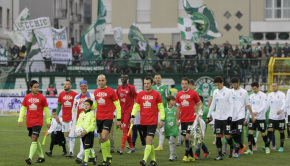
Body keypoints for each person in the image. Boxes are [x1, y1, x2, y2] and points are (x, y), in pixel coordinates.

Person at [130, 76, 165, 166]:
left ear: (152, 84)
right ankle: (153, 160)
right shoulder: (140, 94)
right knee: (148, 142)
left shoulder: (156, 94)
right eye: (145, 83)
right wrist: (132, 116)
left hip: (152, 122)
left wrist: (162, 119)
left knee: (148, 140)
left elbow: (161, 108)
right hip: (143, 122)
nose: (146, 85)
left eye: (148, 83)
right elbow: (136, 106)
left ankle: (144, 160)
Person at [17, 80, 51, 164]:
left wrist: (48, 120)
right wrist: (20, 119)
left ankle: (29, 158)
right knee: (35, 140)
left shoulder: (42, 97)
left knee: (34, 138)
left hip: (38, 122)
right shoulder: (27, 97)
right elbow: (23, 109)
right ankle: (41, 157)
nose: (37, 89)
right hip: (29, 122)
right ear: (30, 88)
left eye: (37, 87)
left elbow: (46, 110)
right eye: (35, 87)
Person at [93, 74, 121, 166]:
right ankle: (105, 160)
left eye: (102, 80)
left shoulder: (111, 91)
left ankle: (108, 156)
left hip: (108, 117)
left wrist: (119, 118)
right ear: (97, 82)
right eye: (99, 80)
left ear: (106, 81)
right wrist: (88, 108)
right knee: (101, 139)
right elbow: (96, 104)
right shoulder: (96, 92)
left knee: (104, 137)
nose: (101, 82)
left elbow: (117, 105)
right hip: (99, 118)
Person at [206, 76, 235, 160]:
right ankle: (220, 155)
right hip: (218, 118)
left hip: (226, 118)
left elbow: (232, 104)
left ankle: (232, 147)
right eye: (216, 85)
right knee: (218, 136)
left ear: (222, 83)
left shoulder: (229, 92)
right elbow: (212, 104)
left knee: (227, 136)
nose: (217, 86)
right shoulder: (215, 92)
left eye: (219, 84)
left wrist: (230, 116)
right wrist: (208, 115)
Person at [176, 77, 202, 162]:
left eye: (185, 84)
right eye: (182, 84)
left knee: (187, 137)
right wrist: (177, 119)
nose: (184, 85)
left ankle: (185, 155)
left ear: (188, 84)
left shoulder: (193, 93)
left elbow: (200, 103)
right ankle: (191, 156)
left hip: (191, 119)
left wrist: (199, 113)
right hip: (183, 120)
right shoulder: (178, 94)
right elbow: (178, 108)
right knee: (186, 138)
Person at [69, 80, 96, 164]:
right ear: (80, 87)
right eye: (81, 86)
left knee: (84, 140)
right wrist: (73, 121)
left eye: (84, 86)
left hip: (88, 121)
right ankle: (93, 155)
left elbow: (94, 109)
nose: (83, 87)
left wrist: (94, 120)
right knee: (85, 140)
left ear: (87, 86)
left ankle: (80, 157)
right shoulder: (76, 97)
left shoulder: (91, 97)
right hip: (79, 120)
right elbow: (74, 109)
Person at [230, 77, 255, 158]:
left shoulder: (244, 92)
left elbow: (248, 105)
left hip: (240, 116)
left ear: (238, 83)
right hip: (232, 116)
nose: (233, 86)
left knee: (238, 133)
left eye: (235, 84)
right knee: (232, 134)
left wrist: (252, 115)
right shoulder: (230, 92)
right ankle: (241, 146)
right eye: (232, 84)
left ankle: (236, 151)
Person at [244, 82, 268, 154]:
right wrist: (246, 118)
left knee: (263, 133)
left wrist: (257, 112)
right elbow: (249, 108)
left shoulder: (263, 95)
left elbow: (264, 106)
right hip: (252, 117)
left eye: (255, 89)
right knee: (250, 132)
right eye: (253, 89)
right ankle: (250, 149)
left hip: (261, 118)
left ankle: (267, 147)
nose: (254, 90)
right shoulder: (251, 96)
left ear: (258, 87)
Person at [56, 79, 78, 157]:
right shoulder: (61, 94)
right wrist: (56, 115)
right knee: (67, 135)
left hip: (72, 118)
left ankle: (71, 151)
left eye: (67, 84)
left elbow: (78, 106)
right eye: (64, 84)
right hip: (64, 118)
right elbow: (59, 105)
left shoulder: (75, 94)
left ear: (70, 86)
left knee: (71, 134)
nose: (65, 85)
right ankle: (70, 151)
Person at [116, 74, 137, 154]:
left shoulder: (131, 88)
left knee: (125, 130)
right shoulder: (118, 88)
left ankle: (121, 149)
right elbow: (116, 100)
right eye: (122, 77)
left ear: (127, 79)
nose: (123, 79)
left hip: (128, 111)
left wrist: (134, 111)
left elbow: (137, 98)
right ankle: (132, 147)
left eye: (124, 77)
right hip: (121, 112)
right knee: (127, 130)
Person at [264, 83, 286, 153]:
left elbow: (284, 103)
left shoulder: (282, 94)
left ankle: (281, 146)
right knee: (270, 130)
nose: (273, 87)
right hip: (272, 117)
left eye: (275, 86)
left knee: (281, 131)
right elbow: (267, 105)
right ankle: (267, 146)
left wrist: (281, 109)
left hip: (280, 117)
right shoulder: (270, 95)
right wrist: (263, 114)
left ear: (278, 86)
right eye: (272, 86)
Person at [76, 99, 97, 166]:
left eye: (88, 104)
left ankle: (85, 162)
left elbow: (92, 125)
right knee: (86, 147)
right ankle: (93, 158)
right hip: (82, 134)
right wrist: (77, 129)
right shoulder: (81, 114)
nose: (86, 106)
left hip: (89, 133)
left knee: (86, 147)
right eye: (85, 104)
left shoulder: (92, 114)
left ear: (91, 106)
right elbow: (78, 123)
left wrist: (86, 131)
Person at [152, 74, 170, 151]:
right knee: (152, 127)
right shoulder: (152, 88)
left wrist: (168, 109)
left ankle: (160, 145)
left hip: (162, 110)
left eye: (159, 78)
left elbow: (168, 98)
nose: (158, 79)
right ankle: (161, 138)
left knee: (161, 127)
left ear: (161, 79)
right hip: (153, 111)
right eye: (156, 78)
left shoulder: (165, 88)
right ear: (154, 79)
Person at [164, 95, 179, 161]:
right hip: (167, 128)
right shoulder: (165, 110)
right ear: (169, 102)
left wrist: (179, 122)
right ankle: (174, 155)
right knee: (170, 141)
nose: (174, 102)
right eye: (172, 100)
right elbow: (163, 119)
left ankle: (172, 155)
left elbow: (179, 117)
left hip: (174, 127)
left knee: (171, 140)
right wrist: (162, 129)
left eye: (174, 100)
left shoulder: (176, 109)